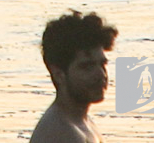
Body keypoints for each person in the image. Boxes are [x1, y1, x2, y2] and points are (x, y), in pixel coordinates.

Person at [29, 10, 117, 143]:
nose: (101, 75)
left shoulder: (83, 123)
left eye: (102, 64)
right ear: (59, 75)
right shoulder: (60, 132)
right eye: (87, 67)